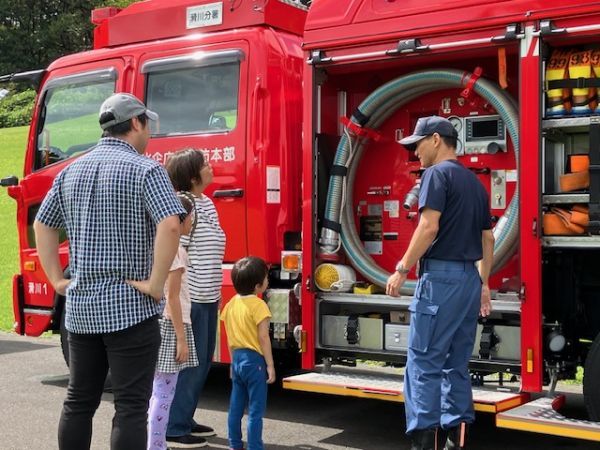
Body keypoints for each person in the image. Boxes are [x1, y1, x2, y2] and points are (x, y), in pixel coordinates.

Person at [34, 93, 186, 450]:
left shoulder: (71, 171)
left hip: (82, 310)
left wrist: (57, 280)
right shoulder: (146, 169)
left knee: (79, 401)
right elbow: (171, 226)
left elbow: (43, 225)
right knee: (131, 406)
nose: (148, 131)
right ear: (136, 123)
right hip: (131, 309)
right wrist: (155, 284)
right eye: (147, 123)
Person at [385, 116, 494, 450]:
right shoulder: (476, 183)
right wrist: (484, 283)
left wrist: (402, 268)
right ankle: (454, 443)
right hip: (469, 280)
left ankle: (424, 445)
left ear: (435, 139)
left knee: (423, 364)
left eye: (417, 144)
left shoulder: (435, 175)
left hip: (441, 281)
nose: (415, 152)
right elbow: (487, 239)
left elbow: (428, 227)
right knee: (455, 366)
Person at [164, 148, 226, 448]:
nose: (210, 167)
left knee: (201, 363)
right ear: (192, 176)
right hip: (194, 296)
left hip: (209, 293)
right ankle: (174, 427)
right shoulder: (185, 205)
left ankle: (184, 417)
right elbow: (176, 253)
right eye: (204, 165)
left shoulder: (207, 203)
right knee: (190, 364)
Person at [133, 193, 199, 450]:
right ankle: (156, 445)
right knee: (164, 391)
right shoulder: (177, 250)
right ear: (180, 219)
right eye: (191, 216)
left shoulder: (157, 243)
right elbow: (172, 297)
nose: (192, 222)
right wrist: (182, 339)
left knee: (156, 390)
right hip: (172, 325)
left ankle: (155, 443)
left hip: (160, 322)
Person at [221, 256, 276, 450]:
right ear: (258, 286)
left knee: (235, 407)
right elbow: (263, 338)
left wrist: (231, 363)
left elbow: (229, 337)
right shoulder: (259, 305)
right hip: (254, 362)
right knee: (255, 410)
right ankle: (254, 446)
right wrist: (270, 365)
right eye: (266, 278)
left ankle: (235, 444)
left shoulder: (230, 305)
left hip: (237, 360)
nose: (267, 281)